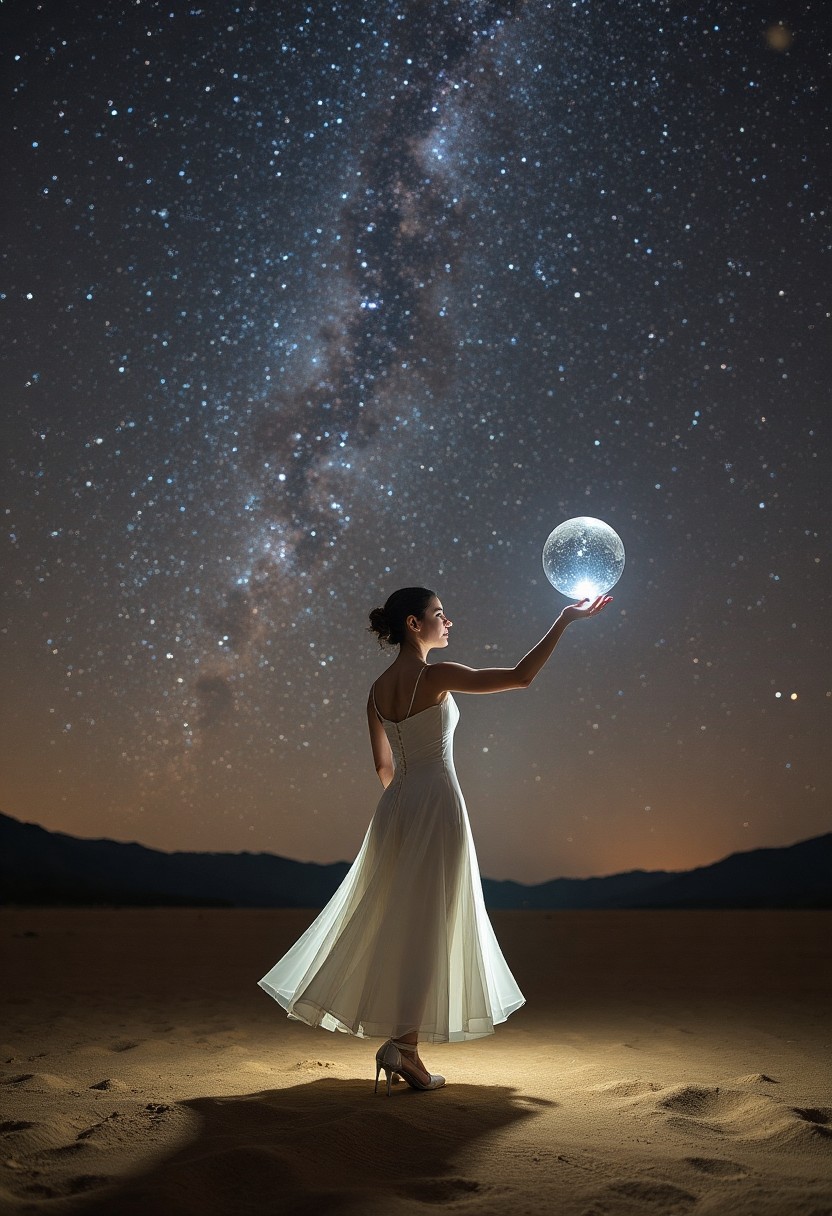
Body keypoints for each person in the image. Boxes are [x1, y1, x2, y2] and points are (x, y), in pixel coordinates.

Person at [258, 586, 611, 1094]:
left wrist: (406, 800)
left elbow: (383, 767)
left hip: (396, 808)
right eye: (439, 615)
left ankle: (405, 1047)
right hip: (438, 803)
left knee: (403, 918)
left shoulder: (377, 691)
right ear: (412, 624)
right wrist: (564, 620)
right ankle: (405, 1050)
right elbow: (520, 677)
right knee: (432, 920)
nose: (449, 623)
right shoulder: (435, 675)